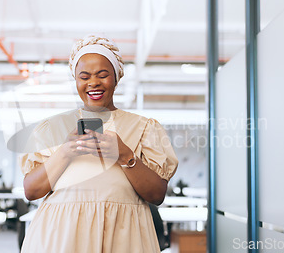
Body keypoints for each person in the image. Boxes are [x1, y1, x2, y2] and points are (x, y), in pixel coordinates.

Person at [20, 34, 178, 252]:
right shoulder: (51, 128)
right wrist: (65, 152)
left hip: (123, 236)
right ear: (75, 81)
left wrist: (125, 156)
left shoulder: (144, 128)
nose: (93, 83)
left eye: (102, 75)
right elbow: (31, 191)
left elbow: (156, 195)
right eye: (84, 76)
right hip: (61, 238)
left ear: (116, 77)